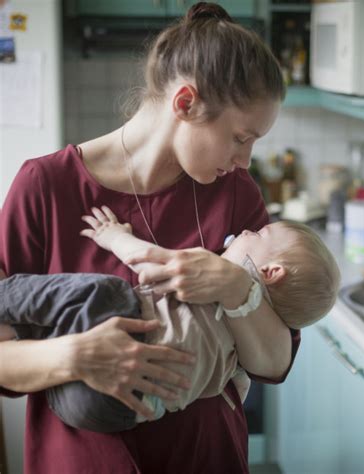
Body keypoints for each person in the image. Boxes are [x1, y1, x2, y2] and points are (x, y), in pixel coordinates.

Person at [0, 3, 300, 473]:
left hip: (208, 457)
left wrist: (237, 287)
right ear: (185, 103)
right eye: (241, 138)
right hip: (84, 460)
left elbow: (274, 363)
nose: (245, 160)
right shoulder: (45, 186)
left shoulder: (235, 193)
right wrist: (76, 356)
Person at [0, 207, 340, 433]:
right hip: (115, 412)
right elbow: (236, 385)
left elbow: (149, 264)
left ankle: (7, 299)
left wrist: (112, 235)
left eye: (259, 234)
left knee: (108, 291)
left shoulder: (216, 279)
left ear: (269, 272)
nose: (246, 231)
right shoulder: (239, 363)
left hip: (127, 354)